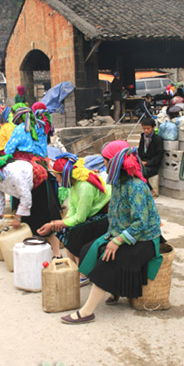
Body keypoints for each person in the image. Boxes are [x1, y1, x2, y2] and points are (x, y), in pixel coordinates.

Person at [61, 140, 162, 324]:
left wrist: (117, 241)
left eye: (106, 160)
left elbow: (141, 223)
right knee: (88, 249)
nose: (104, 164)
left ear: (115, 162)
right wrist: (111, 237)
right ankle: (115, 291)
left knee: (108, 259)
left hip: (145, 240)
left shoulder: (135, 186)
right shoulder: (117, 182)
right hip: (124, 234)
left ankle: (87, 312)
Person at [37, 154, 111, 286]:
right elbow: (72, 206)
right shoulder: (74, 182)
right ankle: (73, 267)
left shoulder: (84, 187)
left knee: (75, 235)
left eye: (58, 176)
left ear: (65, 175)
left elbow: (81, 217)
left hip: (104, 214)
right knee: (64, 230)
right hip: (89, 212)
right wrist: (63, 221)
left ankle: (83, 273)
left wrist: (58, 223)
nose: (57, 179)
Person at [0, 155, 62, 257]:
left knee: (44, 221)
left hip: (38, 185)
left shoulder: (14, 175)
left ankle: (57, 253)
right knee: (28, 223)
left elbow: (25, 197)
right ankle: (35, 253)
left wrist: (17, 218)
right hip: (19, 191)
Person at [138, 117, 163, 196]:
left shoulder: (158, 140)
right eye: (144, 128)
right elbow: (140, 151)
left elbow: (158, 157)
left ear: (153, 127)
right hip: (143, 163)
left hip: (153, 166)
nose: (146, 130)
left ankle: (151, 190)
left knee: (140, 173)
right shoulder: (143, 138)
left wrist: (147, 163)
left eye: (148, 128)